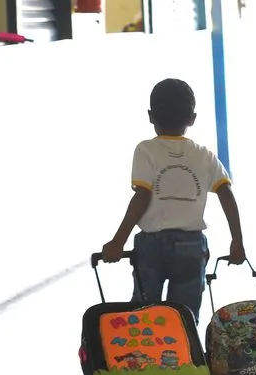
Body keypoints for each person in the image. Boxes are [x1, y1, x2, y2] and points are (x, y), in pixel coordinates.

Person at [101, 78, 245, 326]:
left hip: (151, 246)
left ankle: (147, 361)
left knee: (144, 314)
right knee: (184, 316)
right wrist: (237, 241)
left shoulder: (145, 150)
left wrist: (118, 241)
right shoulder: (204, 155)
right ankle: (183, 362)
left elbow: (142, 197)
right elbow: (226, 195)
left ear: (150, 116)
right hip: (191, 246)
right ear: (192, 118)